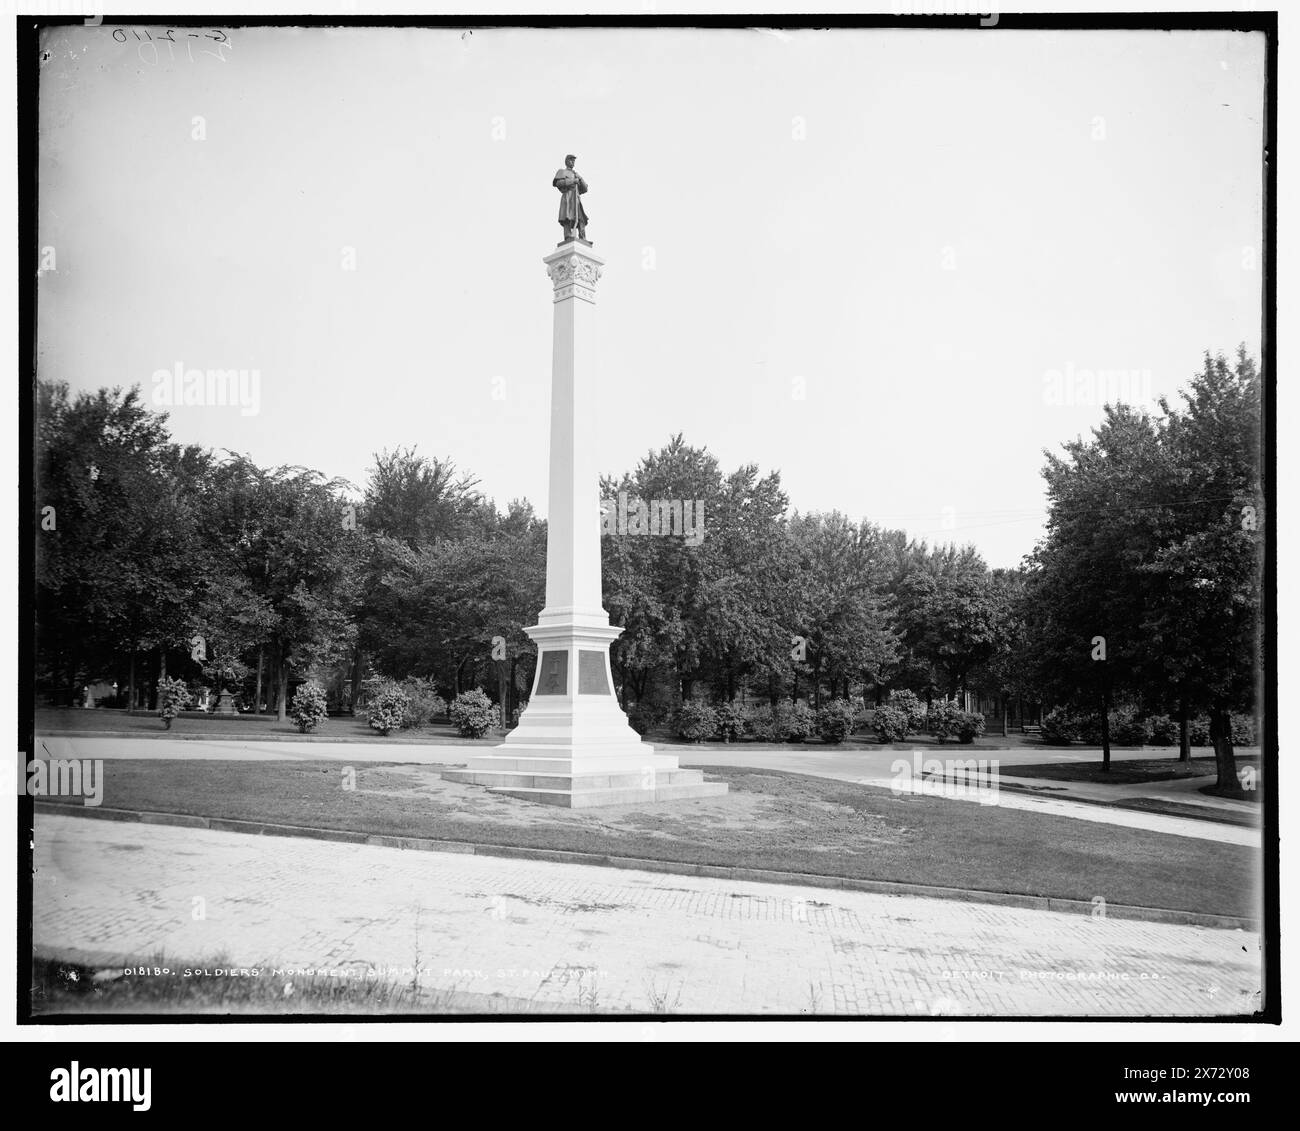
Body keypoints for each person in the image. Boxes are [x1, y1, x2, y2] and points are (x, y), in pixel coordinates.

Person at [553, 154, 589, 242]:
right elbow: (558, 183)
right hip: (568, 197)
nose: (572, 162)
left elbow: (585, 189)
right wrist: (573, 181)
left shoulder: (576, 174)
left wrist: (580, 178)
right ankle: (568, 236)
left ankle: (583, 237)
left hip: (576, 199)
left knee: (581, 219)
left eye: (574, 161)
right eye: (571, 160)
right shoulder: (562, 171)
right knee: (567, 217)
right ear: (566, 161)